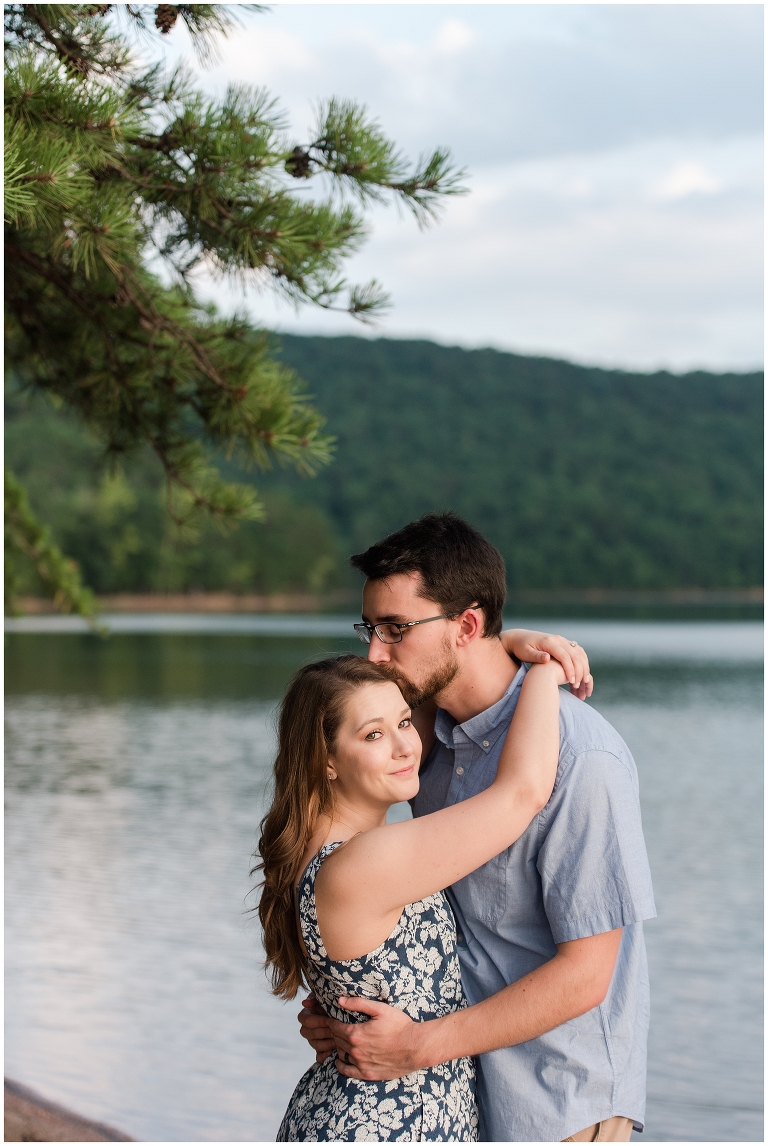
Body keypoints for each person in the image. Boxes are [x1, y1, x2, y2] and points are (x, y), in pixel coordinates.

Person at [298, 513, 656, 1143]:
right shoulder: (417, 740)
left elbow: (587, 975)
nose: (374, 653)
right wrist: (344, 1003)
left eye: (395, 630)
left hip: (557, 1106)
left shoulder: (581, 760)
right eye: (370, 629)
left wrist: (416, 1046)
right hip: (451, 1097)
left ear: (465, 626)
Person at [258, 644, 569, 1141]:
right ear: (328, 760)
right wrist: (541, 671)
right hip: (385, 1126)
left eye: (404, 723)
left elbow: (424, 694)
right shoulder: (363, 863)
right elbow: (523, 792)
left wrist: (498, 646)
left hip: (358, 1111)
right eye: (373, 734)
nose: (405, 746)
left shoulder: (316, 845)